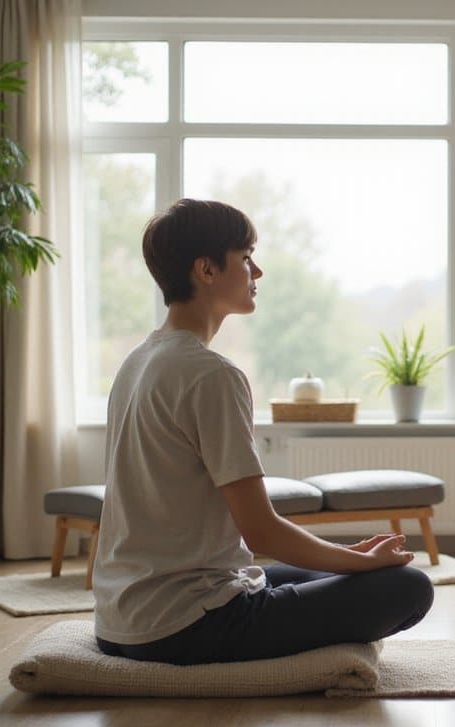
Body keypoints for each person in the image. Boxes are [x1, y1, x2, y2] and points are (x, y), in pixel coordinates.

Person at [93, 198, 433, 666]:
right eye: (246, 258)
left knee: (314, 574)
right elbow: (262, 532)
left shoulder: (138, 361)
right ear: (207, 270)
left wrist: (345, 555)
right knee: (408, 587)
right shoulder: (210, 374)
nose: (258, 272)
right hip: (187, 627)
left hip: (122, 620)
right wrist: (359, 563)